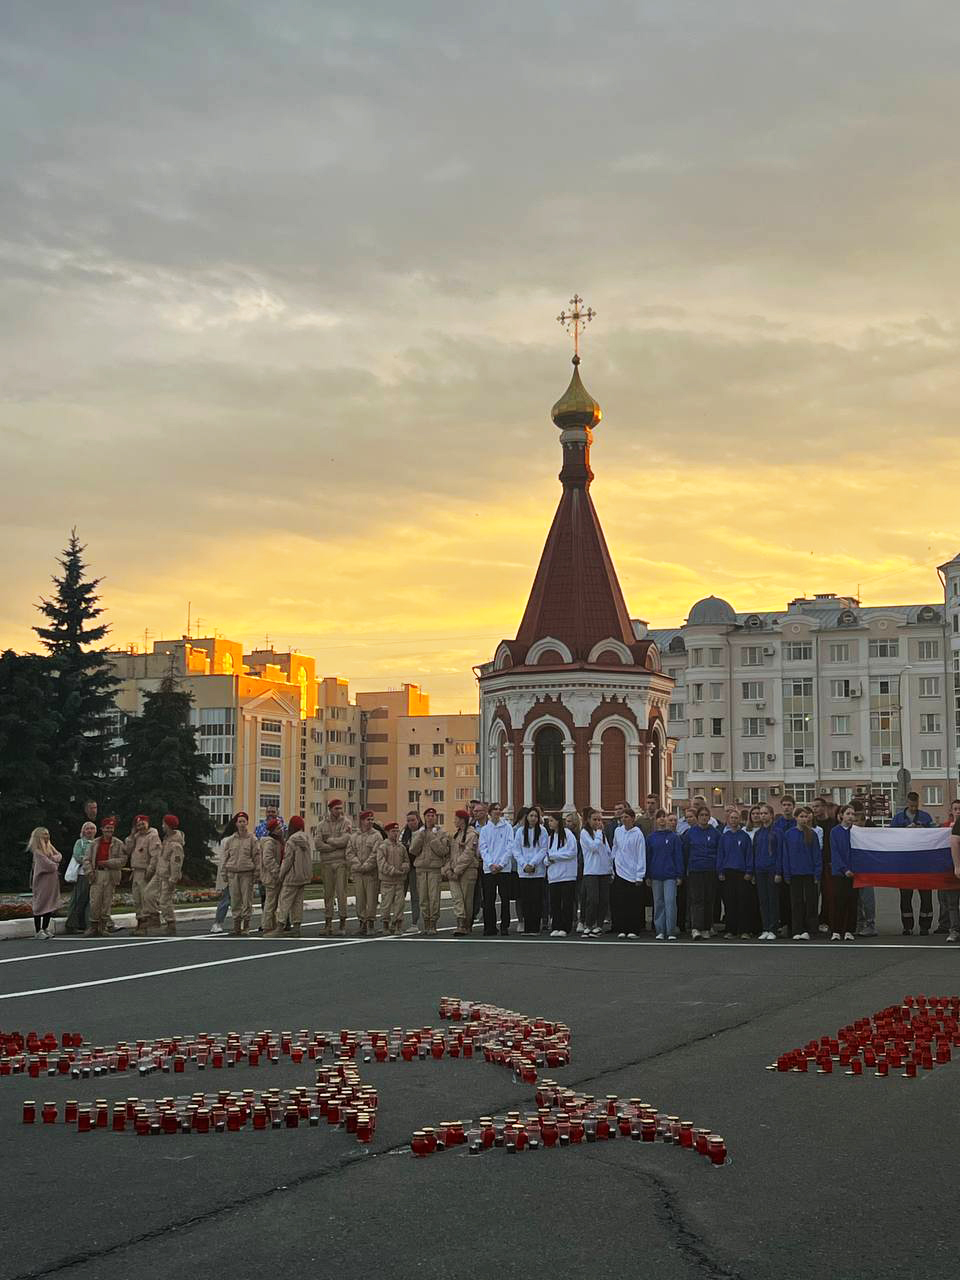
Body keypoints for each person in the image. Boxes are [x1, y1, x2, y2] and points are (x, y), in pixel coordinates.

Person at [892, 792, 934, 935]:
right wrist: (905, 831)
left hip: (923, 864)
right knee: (905, 896)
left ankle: (925, 926)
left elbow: (934, 836)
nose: (914, 808)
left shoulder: (925, 817)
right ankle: (907, 926)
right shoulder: (897, 818)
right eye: (911, 805)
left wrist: (924, 831)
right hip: (905, 864)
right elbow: (890, 838)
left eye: (916, 806)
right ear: (907, 803)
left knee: (926, 897)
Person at [781, 805, 822, 940]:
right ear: (796, 818)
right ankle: (797, 930)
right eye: (801, 816)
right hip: (794, 873)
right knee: (796, 902)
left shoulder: (813, 834)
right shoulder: (789, 834)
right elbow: (785, 855)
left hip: (809, 873)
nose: (804, 819)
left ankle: (811, 929)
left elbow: (816, 855)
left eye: (805, 816)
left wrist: (817, 873)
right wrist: (786, 873)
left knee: (811, 902)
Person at [82, 817, 126, 936]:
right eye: (107, 828)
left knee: (106, 901)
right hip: (97, 874)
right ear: (102, 829)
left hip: (111, 874)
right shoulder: (94, 843)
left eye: (111, 828)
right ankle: (93, 926)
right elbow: (86, 859)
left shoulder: (118, 843)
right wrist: (90, 872)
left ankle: (103, 926)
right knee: (95, 900)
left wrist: (108, 862)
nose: (109, 830)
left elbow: (123, 860)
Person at [681, 806, 720, 940]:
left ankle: (706, 927)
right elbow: (685, 852)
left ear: (709, 818)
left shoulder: (715, 833)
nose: (704, 817)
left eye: (706, 815)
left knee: (709, 899)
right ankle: (696, 928)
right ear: (697, 818)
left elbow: (719, 852)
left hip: (710, 870)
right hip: (695, 870)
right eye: (701, 815)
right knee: (697, 900)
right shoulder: (690, 833)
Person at [315, 798, 352, 936]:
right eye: (336, 808)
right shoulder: (321, 825)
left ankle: (342, 923)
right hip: (326, 863)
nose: (339, 811)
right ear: (330, 809)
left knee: (341, 893)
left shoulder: (346, 823)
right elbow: (318, 844)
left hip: (341, 862)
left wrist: (329, 841)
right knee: (328, 894)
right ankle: (328, 923)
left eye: (341, 808)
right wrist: (335, 846)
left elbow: (346, 840)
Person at [270, 816, 312, 937]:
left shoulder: (291, 840)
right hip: (303, 876)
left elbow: (288, 860)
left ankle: (280, 927)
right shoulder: (306, 838)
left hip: (292, 876)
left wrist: (281, 874)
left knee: (284, 901)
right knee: (298, 902)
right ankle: (297, 927)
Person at [410, 807, 449, 936]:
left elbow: (443, 851)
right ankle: (426, 921)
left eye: (433, 816)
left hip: (434, 869)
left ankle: (433, 923)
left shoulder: (441, 832)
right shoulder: (418, 833)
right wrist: (421, 836)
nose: (430, 818)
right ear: (424, 817)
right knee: (423, 898)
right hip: (421, 869)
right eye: (428, 816)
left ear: (436, 818)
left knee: (434, 897)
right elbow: (413, 851)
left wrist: (432, 837)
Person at [717, 808, 755, 939]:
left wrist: (749, 871)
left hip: (742, 873)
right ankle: (730, 930)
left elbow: (749, 855)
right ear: (728, 820)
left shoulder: (744, 837)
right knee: (729, 902)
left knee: (743, 902)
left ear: (740, 819)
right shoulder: (724, 837)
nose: (734, 820)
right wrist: (720, 871)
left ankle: (744, 930)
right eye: (731, 818)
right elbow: (720, 855)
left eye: (736, 818)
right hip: (728, 873)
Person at [646, 810, 683, 940]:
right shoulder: (651, 838)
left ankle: (671, 930)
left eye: (664, 817)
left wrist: (679, 875)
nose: (662, 820)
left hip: (670, 875)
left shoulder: (674, 837)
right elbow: (648, 857)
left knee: (670, 901)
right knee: (658, 903)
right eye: (659, 817)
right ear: (656, 820)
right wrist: (648, 875)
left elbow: (678, 857)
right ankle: (660, 930)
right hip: (656, 875)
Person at [478, 801, 513, 937]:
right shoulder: (485, 830)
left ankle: (505, 926)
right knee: (489, 899)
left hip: (503, 869)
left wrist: (501, 864)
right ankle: (490, 927)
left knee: (505, 899)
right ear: (490, 812)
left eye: (499, 809)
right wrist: (491, 864)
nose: (498, 812)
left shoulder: (507, 827)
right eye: (495, 809)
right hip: (489, 869)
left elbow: (510, 847)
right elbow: (483, 848)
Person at [610, 807, 646, 938]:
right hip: (620, 871)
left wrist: (639, 875)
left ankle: (633, 929)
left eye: (626, 817)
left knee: (633, 903)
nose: (624, 820)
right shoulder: (617, 831)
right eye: (622, 817)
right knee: (621, 902)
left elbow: (641, 855)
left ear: (632, 819)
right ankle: (623, 928)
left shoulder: (638, 834)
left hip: (632, 873)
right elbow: (615, 847)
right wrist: (612, 864)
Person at [123, 814, 161, 936]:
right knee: (137, 899)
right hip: (136, 871)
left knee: (145, 898)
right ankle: (140, 923)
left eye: (143, 823)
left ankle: (147, 925)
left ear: (148, 823)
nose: (141, 826)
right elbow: (127, 850)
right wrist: (132, 835)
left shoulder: (153, 836)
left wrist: (150, 871)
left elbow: (155, 855)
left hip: (145, 871)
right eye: (138, 824)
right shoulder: (136, 837)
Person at [221, 811, 259, 936]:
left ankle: (246, 926)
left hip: (247, 873)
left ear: (247, 822)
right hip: (233, 872)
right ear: (236, 824)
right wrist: (224, 872)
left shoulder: (252, 839)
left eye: (244, 821)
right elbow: (225, 857)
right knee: (235, 900)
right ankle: (236, 925)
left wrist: (257, 872)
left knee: (246, 900)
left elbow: (256, 856)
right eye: (239, 821)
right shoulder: (230, 840)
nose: (242, 824)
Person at [444, 809, 480, 936]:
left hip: (467, 871)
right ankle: (460, 923)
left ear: (462, 820)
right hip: (454, 872)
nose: (454, 821)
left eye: (456, 818)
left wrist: (457, 870)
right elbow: (450, 855)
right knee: (457, 899)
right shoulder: (456, 835)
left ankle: (466, 924)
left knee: (466, 899)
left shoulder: (472, 834)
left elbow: (468, 854)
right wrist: (448, 869)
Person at [513, 807, 548, 935]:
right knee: (526, 900)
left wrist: (532, 863)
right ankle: (527, 928)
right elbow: (516, 850)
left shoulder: (542, 831)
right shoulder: (520, 832)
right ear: (527, 817)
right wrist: (524, 864)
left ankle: (535, 927)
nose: (533, 818)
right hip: (523, 872)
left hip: (537, 871)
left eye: (536, 816)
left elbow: (543, 849)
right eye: (531, 816)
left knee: (536, 900)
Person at [826, 805, 857, 941]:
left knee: (852, 901)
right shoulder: (834, 831)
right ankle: (836, 931)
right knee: (839, 901)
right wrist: (845, 869)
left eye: (853, 814)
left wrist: (854, 869)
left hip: (855, 874)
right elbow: (835, 853)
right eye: (848, 813)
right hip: (839, 873)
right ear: (841, 815)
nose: (851, 816)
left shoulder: (857, 832)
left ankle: (850, 930)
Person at [347, 811, 381, 935]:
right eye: (368, 819)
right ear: (362, 821)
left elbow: (376, 853)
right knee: (360, 899)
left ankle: (371, 923)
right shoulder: (354, 836)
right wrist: (357, 864)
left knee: (371, 899)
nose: (370, 822)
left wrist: (366, 865)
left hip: (371, 873)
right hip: (358, 873)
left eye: (372, 819)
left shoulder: (376, 836)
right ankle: (362, 923)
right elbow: (349, 853)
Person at [544, 812, 578, 936]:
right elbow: (546, 854)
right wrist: (547, 860)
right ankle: (556, 926)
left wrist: (554, 856)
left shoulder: (568, 835)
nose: (550, 823)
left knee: (567, 902)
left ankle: (565, 927)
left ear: (558, 821)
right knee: (555, 902)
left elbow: (572, 852)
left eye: (552, 820)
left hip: (567, 874)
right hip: (554, 876)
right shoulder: (550, 837)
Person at [580, 810, 612, 937]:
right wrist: (599, 833)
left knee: (603, 900)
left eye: (600, 820)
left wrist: (610, 869)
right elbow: (593, 847)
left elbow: (607, 852)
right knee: (593, 899)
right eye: (595, 819)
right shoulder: (585, 833)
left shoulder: (602, 835)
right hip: (591, 871)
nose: (598, 822)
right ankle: (588, 924)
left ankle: (598, 925)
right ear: (588, 820)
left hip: (604, 871)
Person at [752, 805, 782, 941]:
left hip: (772, 870)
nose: (762, 816)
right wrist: (753, 871)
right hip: (760, 870)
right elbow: (755, 853)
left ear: (771, 815)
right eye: (760, 813)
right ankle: (765, 928)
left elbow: (780, 852)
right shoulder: (758, 833)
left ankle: (773, 928)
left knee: (773, 900)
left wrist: (778, 872)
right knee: (763, 900)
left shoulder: (777, 831)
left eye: (765, 813)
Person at [28, 828, 62, 939]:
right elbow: (50, 866)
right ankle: (38, 930)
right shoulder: (37, 852)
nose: (47, 837)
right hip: (42, 882)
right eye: (44, 835)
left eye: (47, 834)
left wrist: (53, 858)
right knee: (40, 904)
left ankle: (45, 927)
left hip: (52, 882)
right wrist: (54, 861)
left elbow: (59, 855)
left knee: (50, 904)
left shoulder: (49, 848)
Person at [64, 821, 96, 935]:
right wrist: (91, 863)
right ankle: (71, 925)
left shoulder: (97, 842)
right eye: (87, 829)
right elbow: (78, 856)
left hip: (94, 874)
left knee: (90, 901)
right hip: (82, 874)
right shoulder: (80, 843)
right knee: (78, 899)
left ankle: (87, 924)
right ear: (83, 831)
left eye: (92, 828)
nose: (90, 831)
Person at [155, 815, 184, 935]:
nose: (162, 826)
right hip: (162, 874)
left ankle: (170, 923)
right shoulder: (167, 840)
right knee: (159, 899)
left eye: (164, 824)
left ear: (168, 826)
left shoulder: (175, 844)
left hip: (168, 877)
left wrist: (173, 878)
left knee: (164, 901)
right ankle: (168, 923)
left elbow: (176, 862)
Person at [377, 823, 409, 935]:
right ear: (387, 832)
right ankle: (385, 924)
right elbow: (381, 863)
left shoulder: (402, 847)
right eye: (393, 831)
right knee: (386, 904)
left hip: (399, 881)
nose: (395, 833)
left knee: (399, 904)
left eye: (397, 831)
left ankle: (397, 924)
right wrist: (393, 871)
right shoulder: (383, 847)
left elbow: (406, 860)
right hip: (387, 881)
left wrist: (405, 867)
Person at [852, 803, 877, 936]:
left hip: (867, 871)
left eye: (857, 821)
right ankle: (858, 923)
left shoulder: (870, 833)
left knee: (867, 899)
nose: (855, 823)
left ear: (863, 822)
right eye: (853, 820)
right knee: (855, 900)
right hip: (854, 871)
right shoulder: (849, 833)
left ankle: (870, 924)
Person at [935, 799, 960, 933]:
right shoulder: (943, 827)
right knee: (947, 901)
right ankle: (946, 925)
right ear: (951, 811)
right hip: (947, 869)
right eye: (955, 809)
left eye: (959, 809)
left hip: (955, 866)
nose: (958, 811)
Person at [208, 815, 235, 935]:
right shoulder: (227, 841)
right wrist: (224, 874)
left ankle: (239, 923)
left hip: (239, 873)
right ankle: (217, 922)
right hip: (228, 872)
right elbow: (224, 859)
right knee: (226, 898)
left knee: (238, 900)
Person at [258, 817, 284, 934]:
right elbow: (268, 859)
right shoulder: (270, 842)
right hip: (272, 877)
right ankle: (267, 926)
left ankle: (272, 925)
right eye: (278, 828)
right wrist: (277, 872)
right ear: (273, 830)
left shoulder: (277, 841)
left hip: (274, 876)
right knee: (270, 903)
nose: (281, 829)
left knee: (273, 903)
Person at [400, 810, 422, 932]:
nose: (410, 823)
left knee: (415, 896)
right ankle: (397, 921)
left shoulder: (422, 832)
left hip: (416, 868)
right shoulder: (404, 833)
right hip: (405, 867)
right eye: (408, 820)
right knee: (399, 895)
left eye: (413, 820)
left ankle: (415, 922)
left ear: (418, 820)